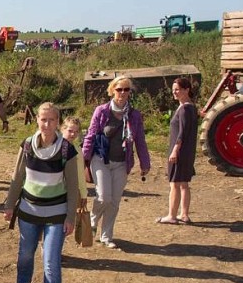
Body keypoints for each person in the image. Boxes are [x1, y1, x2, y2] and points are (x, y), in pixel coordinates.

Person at [3, 103, 79, 283]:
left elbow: (73, 186)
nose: (47, 125)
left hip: (57, 213)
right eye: (43, 120)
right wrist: (9, 205)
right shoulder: (27, 145)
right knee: (26, 253)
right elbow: (17, 178)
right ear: (37, 120)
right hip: (29, 210)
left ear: (58, 122)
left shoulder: (67, 150)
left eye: (52, 120)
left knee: (51, 262)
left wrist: (71, 217)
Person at [82, 76, 151, 248]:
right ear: (112, 90)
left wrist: (145, 163)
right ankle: (92, 220)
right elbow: (90, 135)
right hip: (100, 159)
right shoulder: (101, 111)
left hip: (122, 162)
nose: (122, 93)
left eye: (126, 89)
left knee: (114, 201)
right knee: (104, 197)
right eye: (119, 89)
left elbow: (140, 141)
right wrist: (83, 159)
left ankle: (106, 236)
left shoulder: (134, 116)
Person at [158, 77, 198, 224]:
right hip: (188, 151)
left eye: (178, 89)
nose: (175, 92)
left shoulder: (185, 108)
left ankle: (172, 215)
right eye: (174, 89)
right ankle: (184, 214)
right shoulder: (191, 107)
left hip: (180, 151)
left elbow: (182, 132)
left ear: (187, 90)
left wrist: (175, 150)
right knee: (184, 184)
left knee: (175, 184)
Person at [61, 116, 86, 207]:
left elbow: (80, 173)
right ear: (62, 129)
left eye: (76, 132)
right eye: (70, 131)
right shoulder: (55, 146)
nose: (73, 134)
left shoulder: (77, 150)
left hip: (71, 191)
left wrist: (83, 193)